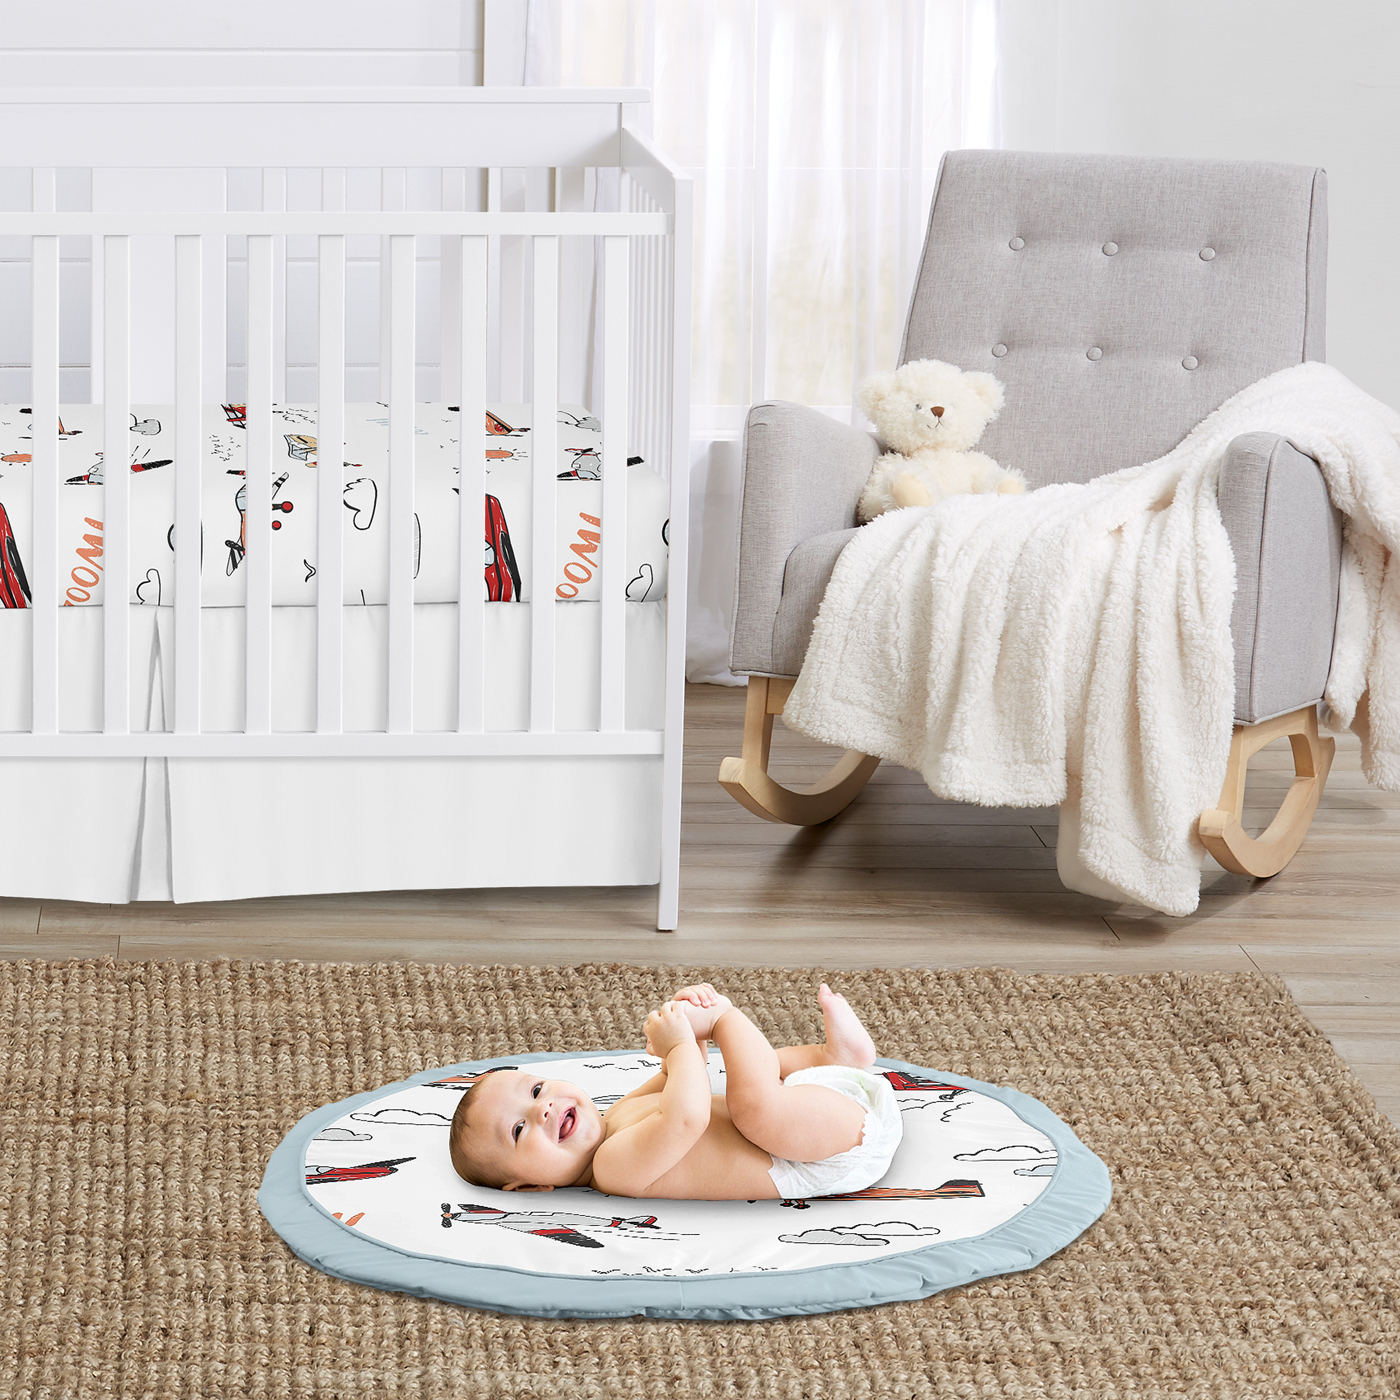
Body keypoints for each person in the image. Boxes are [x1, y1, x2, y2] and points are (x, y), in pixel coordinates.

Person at [448, 983, 903, 1200]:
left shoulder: (616, 1114)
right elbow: (687, 1118)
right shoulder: (611, 1169)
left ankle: (833, 1059)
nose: (543, 1109)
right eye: (518, 1129)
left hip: (811, 1115)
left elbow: (679, 1077)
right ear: (531, 1185)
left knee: (754, 1086)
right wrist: (697, 1033)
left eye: (536, 1090)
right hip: (819, 1158)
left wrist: (685, 1025)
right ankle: (730, 1016)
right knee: (753, 1106)